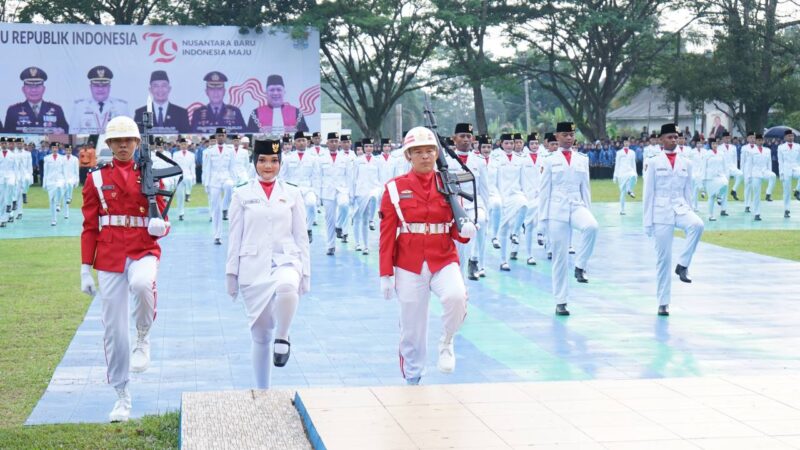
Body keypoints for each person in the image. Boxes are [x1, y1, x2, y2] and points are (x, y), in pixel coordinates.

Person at [79, 116, 169, 422]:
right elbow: (90, 226)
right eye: (116, 141)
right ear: (108, 144)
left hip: (143, 247)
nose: (122, 146)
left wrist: (161, 226)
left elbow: (161, 216)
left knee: (143, 285)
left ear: (137, 142)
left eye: (128, 140)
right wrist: (83, 267)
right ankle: (121, 394)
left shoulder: (153, 173)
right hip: (110, 254)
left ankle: (143, 335)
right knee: (115, 329)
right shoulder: (95, 179)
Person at [379, 127, 476, 385]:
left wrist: (467, 229)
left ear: (437, 153)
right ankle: (413, 377)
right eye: (418, 152)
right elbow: (387, 234)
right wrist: (386, 273)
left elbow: (459, 229)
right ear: (408, 156)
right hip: (409, 263)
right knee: (412, 327)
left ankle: (446, 340)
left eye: (430, 150)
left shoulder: (449, 184)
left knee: (456, 297)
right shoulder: (394, 188)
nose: (425, 156)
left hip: (443, 257)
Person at [225, 138, 309, 389]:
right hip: (252, 266)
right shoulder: (241, 194)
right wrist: (231, 274)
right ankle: (263, 391)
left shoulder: (292, 193)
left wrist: (305, 273)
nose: (268, 166)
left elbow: (301, 236)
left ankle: (283, 337)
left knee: (287, 286)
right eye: (262, 160)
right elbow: (234, 237)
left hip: (286, 259)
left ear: (281, 164)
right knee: (260, 335)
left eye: (274, 161)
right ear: (254, 162)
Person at [642, 123, 704, 316]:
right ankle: (663, 302)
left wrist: (690, 210)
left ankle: (683, 265)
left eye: (676, 137)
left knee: (697, 224)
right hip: (660, 212)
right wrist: (648, 222)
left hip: (680, 207)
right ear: (661, 140)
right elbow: (648, 193)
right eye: (669, 137)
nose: (673, 140)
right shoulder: (652, 162)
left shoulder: (686, 162)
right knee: (663, 259)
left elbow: (688, 190)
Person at [538, 122, 598, 316]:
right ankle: (561, 301)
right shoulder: (549, 160)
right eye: (565, 134)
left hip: (577, 205)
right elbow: (544, 192)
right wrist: (543, 221)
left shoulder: (582, 159)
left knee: (591, 227)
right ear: (557, 136)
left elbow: (585, 189)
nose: (569, 138)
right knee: (560, 258)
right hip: (556, 210)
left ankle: (580, 266)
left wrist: (588, 210)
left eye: (571, 134)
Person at [446, 123, 489, 279]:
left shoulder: (479, 161)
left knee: (482, 222)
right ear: (454, 138)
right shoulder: (447, 161)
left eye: (468, 136)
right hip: (456, 207)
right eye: (462, 136)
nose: (465, 139)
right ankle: (461, 275)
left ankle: (475, 259)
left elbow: (484, 189)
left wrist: (487, 211)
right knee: (459, 248)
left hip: (475, 205)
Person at [492, 133, 527, 271]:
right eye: (506, 143)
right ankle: (503, 260)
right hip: (502, 195)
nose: (509, 146)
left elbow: (522, 179)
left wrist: (523, 192)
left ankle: (516, 232)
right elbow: (494, 180)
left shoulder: (520, 159)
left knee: (524, 204)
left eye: (511, 143)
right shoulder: (496, 158)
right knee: (504, 228)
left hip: (516, 194)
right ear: (501, 143)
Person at [5, 67, 69, 134]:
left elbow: (67, 134)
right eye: (29, 86)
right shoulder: (13, 111)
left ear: (44, 89)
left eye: (37, 86)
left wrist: (62, 133)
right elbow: (5, 138)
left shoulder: (57, 110)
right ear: (23, 89)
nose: (33, 90)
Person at [70, 65, 129, 134]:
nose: (100, 89)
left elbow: (129, 132)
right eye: (96, 85)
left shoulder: (121, 106)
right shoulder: (80, 106)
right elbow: (73, 133)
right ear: (90, 87)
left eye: (104, 85)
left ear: (109, 87)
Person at [202, 128, 237, 244]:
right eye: (219, 135)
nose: (221, 137)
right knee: (215, 209)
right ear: (216, 137)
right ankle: (217, 235)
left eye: (223, 135)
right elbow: (206, 168)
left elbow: (232, 167)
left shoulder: (230, 150)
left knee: (229, 186)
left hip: (226, 178)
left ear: (226, 136)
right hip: (214, 181)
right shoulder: (210, 151)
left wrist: (235, 182)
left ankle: (225, 207)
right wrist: (206, 184)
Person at [351, 138, 382, 255]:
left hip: (374, 189)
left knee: (373, 199)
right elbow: (353, 178)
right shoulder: (357, 161)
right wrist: (352, 194)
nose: (369, 149)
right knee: (360, 218)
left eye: (371, 146)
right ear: (363, 148)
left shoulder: (377, 161)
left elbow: (380, 177)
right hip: (360, 192)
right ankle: (360, 244)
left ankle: (371, 221)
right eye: (367, 146)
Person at [743, 133, 772, 221]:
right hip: (755, 174)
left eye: (761, 140)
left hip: (765, 172)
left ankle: (768, 193)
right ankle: (757, 213)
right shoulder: (751, 151)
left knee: (773, 176)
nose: (760, 142)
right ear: (756, 141)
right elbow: (749, 165)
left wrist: (769, 172)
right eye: (758, 140)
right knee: (756, 194)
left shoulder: (767, 150)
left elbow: (769, 163)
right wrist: (748, 176)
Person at [702, 138, 729, 221]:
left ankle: (720, 196)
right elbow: (703, 167)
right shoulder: (707, 154)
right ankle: (711, 215)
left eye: (716, 144)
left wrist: (725, 174)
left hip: (720, 175)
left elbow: (725, 166)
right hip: (710, 178)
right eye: (713, 144)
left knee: (725, 184)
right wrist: (703, 180)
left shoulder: (721, 154)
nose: (715, 145)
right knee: (711, 197)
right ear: (710, 145)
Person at [777, 129, 800, 218]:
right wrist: (781, 173)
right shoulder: (781, 147)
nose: (791, 137)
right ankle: (786, 209)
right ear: (785, 137)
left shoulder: (798, 146)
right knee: (786, 191)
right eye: (789, 136)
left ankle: (797, 190)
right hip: (786, 169)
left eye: (792, 136)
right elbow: (780, 161)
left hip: (795, 167)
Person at [172, 138, 196, 221]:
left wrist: (194, 177)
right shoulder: (175, 154)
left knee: (189, 179)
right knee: (180, 196)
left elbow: (192, 166)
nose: (184, 146)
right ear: (180, 145)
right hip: (178, 176)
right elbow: (174, 166)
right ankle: (181, 214)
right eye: (182, 144)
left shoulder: (191, 155)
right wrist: (173, 178)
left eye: (185, 144)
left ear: (187, 145)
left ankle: (188, 194)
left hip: (188, 174)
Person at [612, 136, 637, 215]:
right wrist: (615, 176)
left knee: (633, 176)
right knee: (622, 192)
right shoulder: (619, 152)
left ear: (629, 142)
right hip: (621, 173)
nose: (627, 143)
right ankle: (622, 210)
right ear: (623, 143)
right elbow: (617, 164)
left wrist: (635, 173)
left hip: (630, 171)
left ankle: (629, 189)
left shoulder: (632, 152)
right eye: (625, 142)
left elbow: (634, 164)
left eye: (628, 142)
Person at [42, 142, 66, 226]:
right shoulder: (47, 158)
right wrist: (44, 183)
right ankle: (54, 219)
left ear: (58, 148)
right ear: (51, 149)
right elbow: (45, 171)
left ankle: (59, 203)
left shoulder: (63, 158)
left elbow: (64, 171)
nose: (55, 149)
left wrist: (65, 181)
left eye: (56, 148)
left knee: (59, 188)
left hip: (60, 179)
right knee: (51, 200)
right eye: (53, 148)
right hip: (50, 181)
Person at [718, 132, 742, 201]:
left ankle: (734, 190)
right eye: (726, 138)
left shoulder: (733, 147)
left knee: (740, 174)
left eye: (728, 138)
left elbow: (735, 159)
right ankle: (721, 198)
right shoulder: (719, 148)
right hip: (724, 168)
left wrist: (735, 168)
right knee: (725, 185)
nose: (727, 139)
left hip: (732, 167)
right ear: (723, 138)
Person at [0, 139, 16, 227]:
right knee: (1, 199)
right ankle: (2, 220)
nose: (4, 144)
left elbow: (15, 169)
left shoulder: (12, 155)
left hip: (10, 177)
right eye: (2, 143)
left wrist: (15, 179)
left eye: (5, 143)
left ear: (7, 144)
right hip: (1, 178)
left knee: (8, 198)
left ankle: (11, 204)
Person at [62, 144, 79, 218]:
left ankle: (70, 197)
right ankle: (66, 213)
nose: (68, 151)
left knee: (69, 184)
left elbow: (76, 171)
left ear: (71, 151)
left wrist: (77, 180)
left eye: (69, 150)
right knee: (64, 197)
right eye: (67, 150)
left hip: (72, 178)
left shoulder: (75, 159)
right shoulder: (62, 159)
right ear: (65, 150)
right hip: (63, 179)